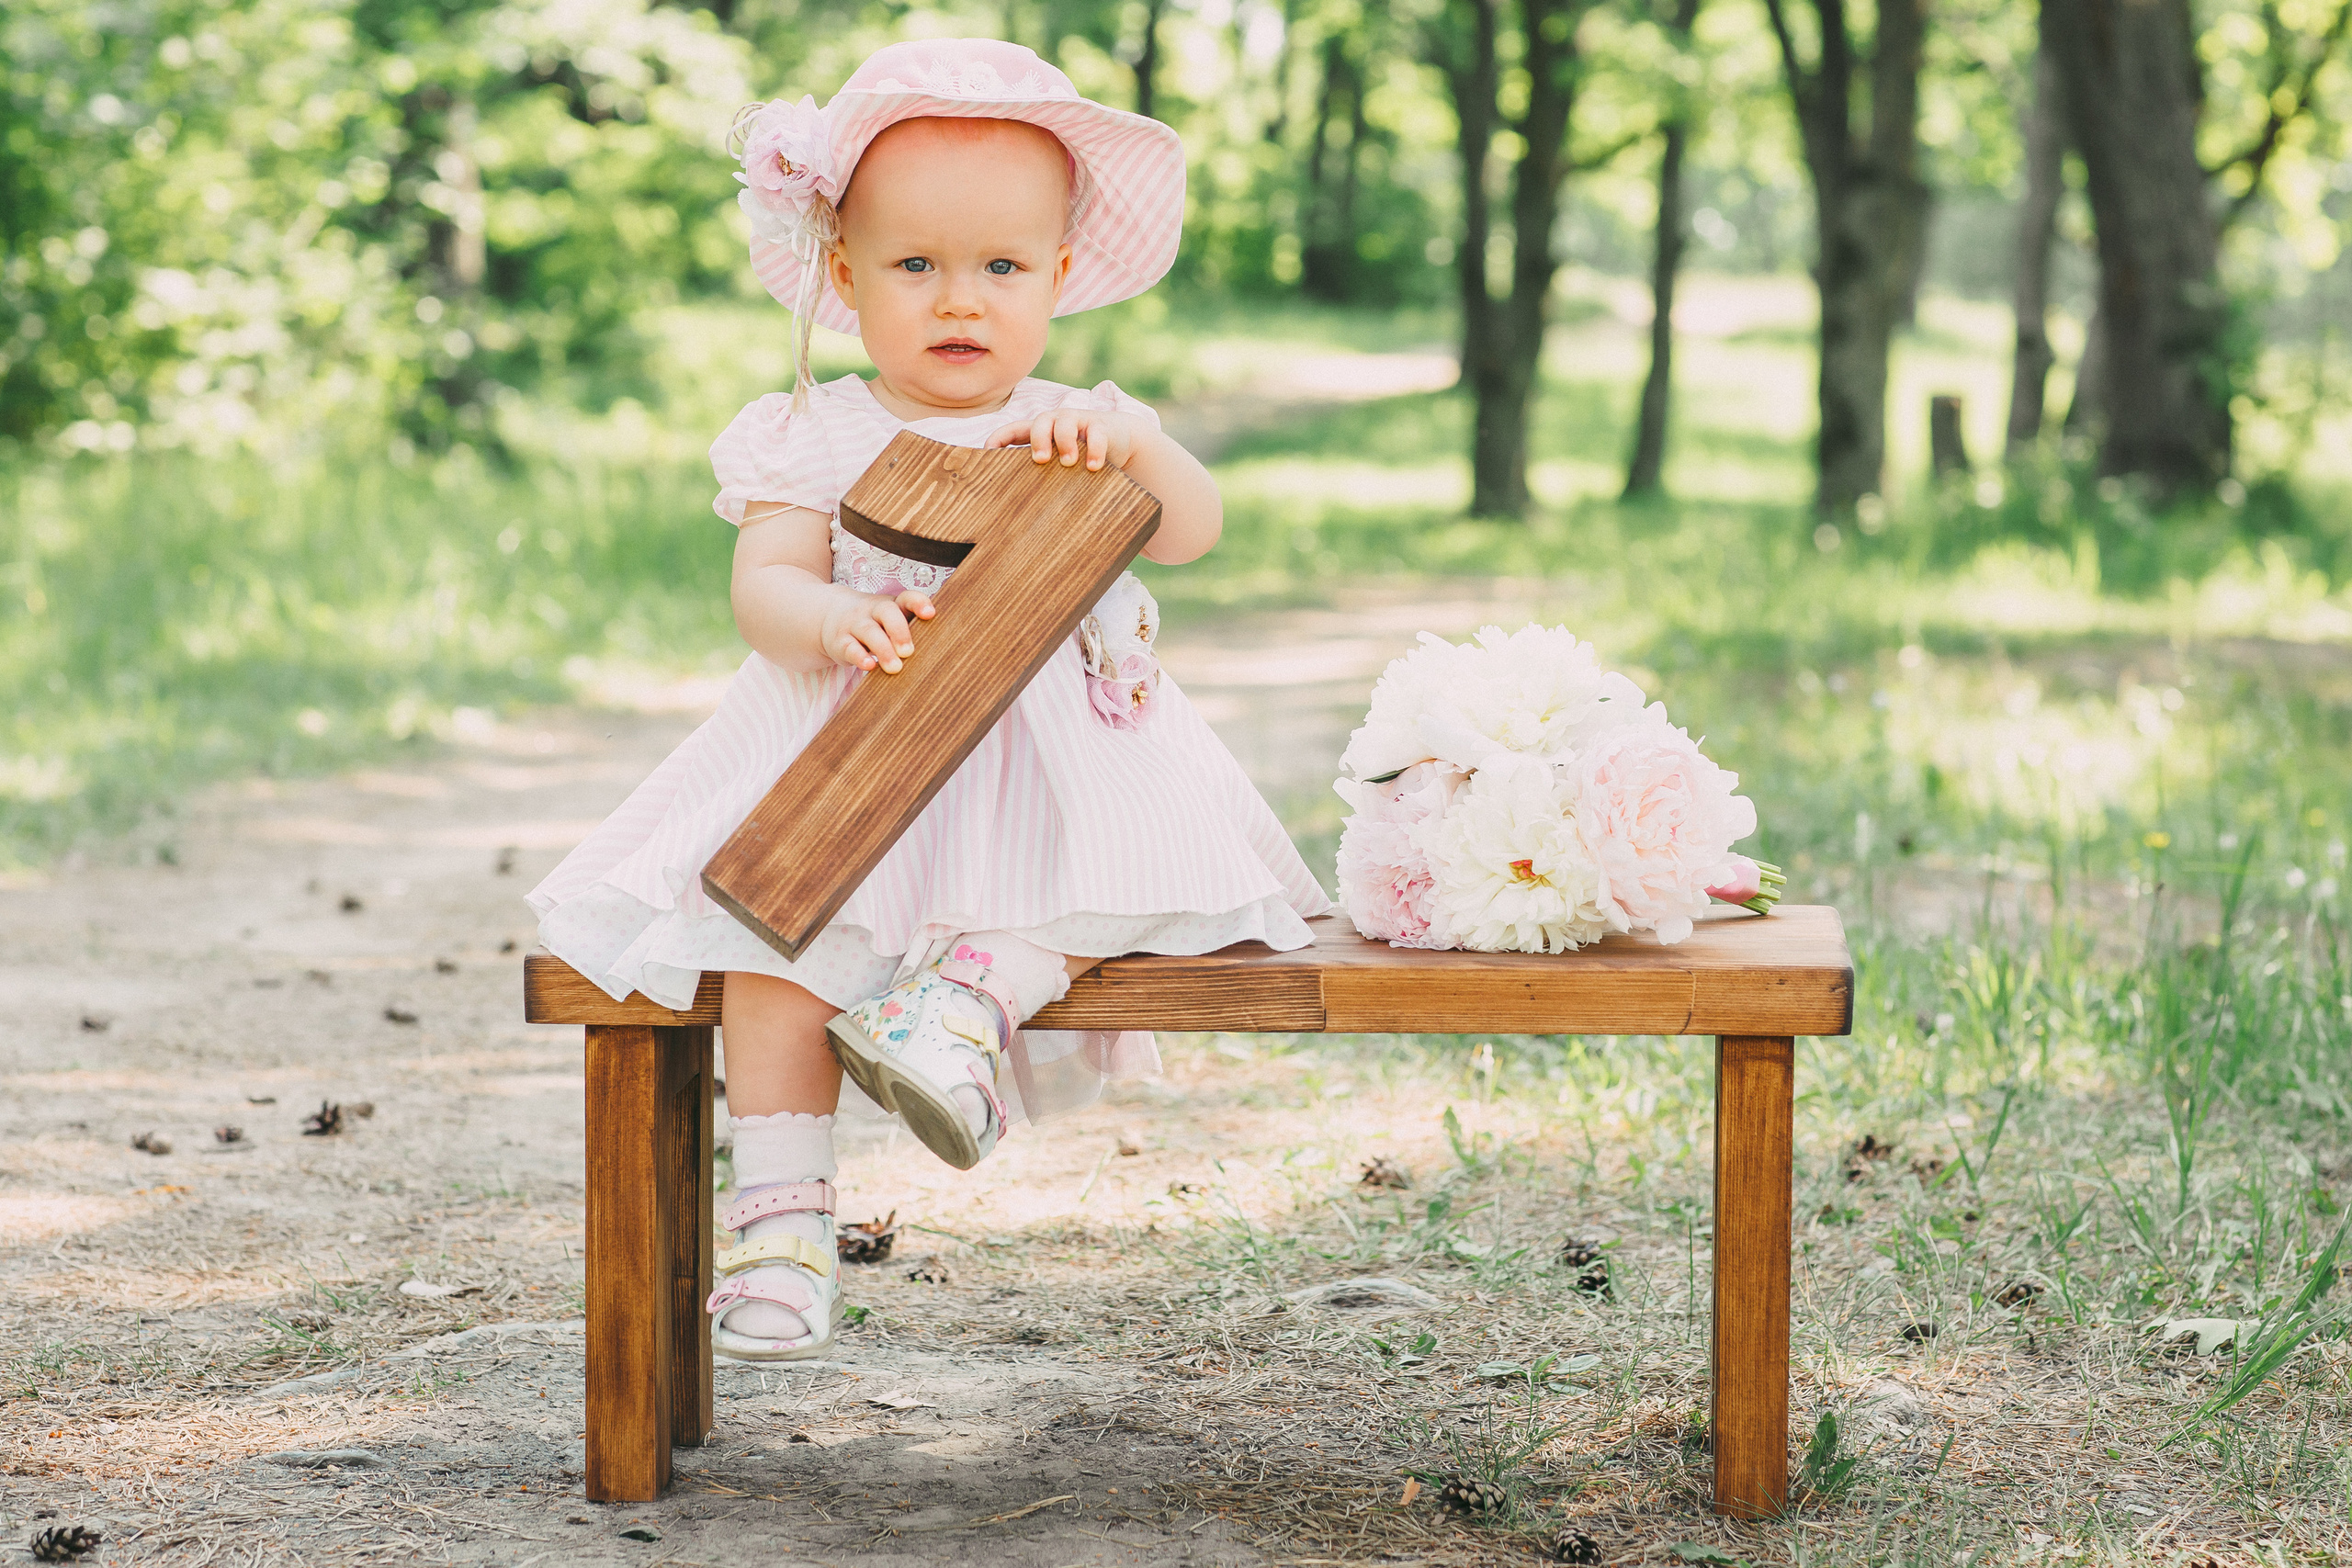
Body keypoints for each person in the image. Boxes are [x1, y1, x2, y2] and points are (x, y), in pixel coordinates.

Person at [527, 39, 1331, 1364]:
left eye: (1002, 268)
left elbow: (1192, 531)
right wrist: (830, 617)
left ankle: (966, 994)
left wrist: (1136, 446)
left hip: (1056, 763)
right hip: (855, 760)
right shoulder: (820, 428)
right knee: (769, 958)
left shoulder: (1078, 418)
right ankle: (783, 1231)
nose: (960, 301)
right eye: (915, 267)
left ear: (1061, 278)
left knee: (1133, 878)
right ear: (843, 276)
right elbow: (763, 583)